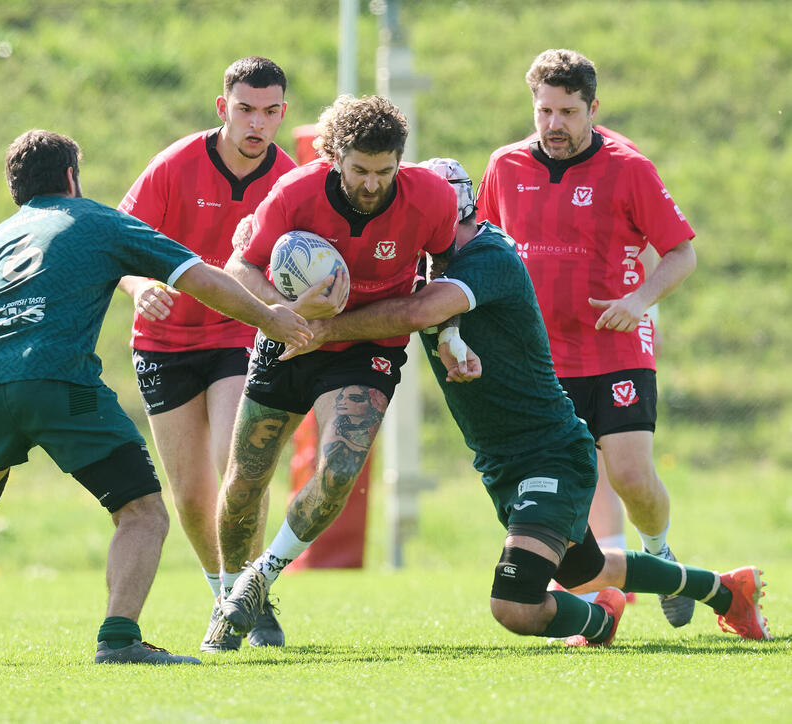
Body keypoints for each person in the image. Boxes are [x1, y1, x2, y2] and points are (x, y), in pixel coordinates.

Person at [0, 129, 311, 667]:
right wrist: (271, 317)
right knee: (142, 512)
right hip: (62, 384)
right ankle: (118, 640)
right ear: (72, 176)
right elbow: (200, 278)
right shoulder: (97, 221)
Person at [276, 157, 770, 646]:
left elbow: (418, 310)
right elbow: (427, 308)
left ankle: (600, 623)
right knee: (588, 570)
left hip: (550, 452)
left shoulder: (489, 255)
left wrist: (319, 331)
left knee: (513, 603)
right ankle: (728, 592)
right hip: (503, 461)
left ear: (448, 213)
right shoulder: (428, 263)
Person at [208, 94, 461, 645]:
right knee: (245, 480)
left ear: (401, 160)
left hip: (367, 344)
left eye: (385, 171)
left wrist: (451, 335)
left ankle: (260, 577)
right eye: (360, 171)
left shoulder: (432, 199)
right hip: (289, 339)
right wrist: (283, 314)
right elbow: (240, 268)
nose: (373, 184)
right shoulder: (295, 194)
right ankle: (230, 595)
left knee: (340, 469)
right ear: (335, 158)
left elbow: (443, 265)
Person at [477, 49, 699, 628]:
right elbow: (483, 253)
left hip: (615, 348)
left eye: (568, 112)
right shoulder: (504, 168)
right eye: (544, 110)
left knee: (629, 476)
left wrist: (638, 300)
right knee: (560, 494)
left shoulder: (629, 168)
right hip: (540, 362)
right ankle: (597, 603)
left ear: (592, 108)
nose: (554, 124)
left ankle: (659, 551)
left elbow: (681, 253)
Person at [115, 57, 297, 652]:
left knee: (235, 463)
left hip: (239, 336)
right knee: (191, 493)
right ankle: (226, 596)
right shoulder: (174, 165)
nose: (257, 124)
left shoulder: (289, 178)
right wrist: (143, 289)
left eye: (270, 112)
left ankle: (254, 594)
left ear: (281, 115)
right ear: (224, 108)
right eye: (246, 109)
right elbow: (118, 245)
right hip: (165, 345)